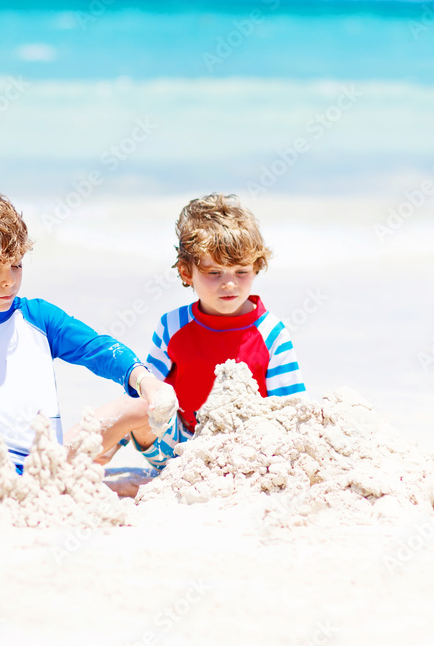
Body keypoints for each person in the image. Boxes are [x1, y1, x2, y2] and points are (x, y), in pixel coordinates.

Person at [0, 183, 178, 472]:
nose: (9, 281)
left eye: (16, 266)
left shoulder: (38, 317)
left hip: (44, 462)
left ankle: (124, 469)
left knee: (140, 406)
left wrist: (145, 381)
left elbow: (97, 349)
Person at [105, 193, 307, 470]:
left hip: (251, 451)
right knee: (140, 407)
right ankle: (91, 458)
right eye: (214, 273)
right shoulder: (172, 325)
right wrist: (116, 440)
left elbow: (291, 407)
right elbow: (147, 390)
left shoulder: (271, 332)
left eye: (241, 272)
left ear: (257, 267)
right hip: (181, 450)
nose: (229, 284)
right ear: (186, 272)